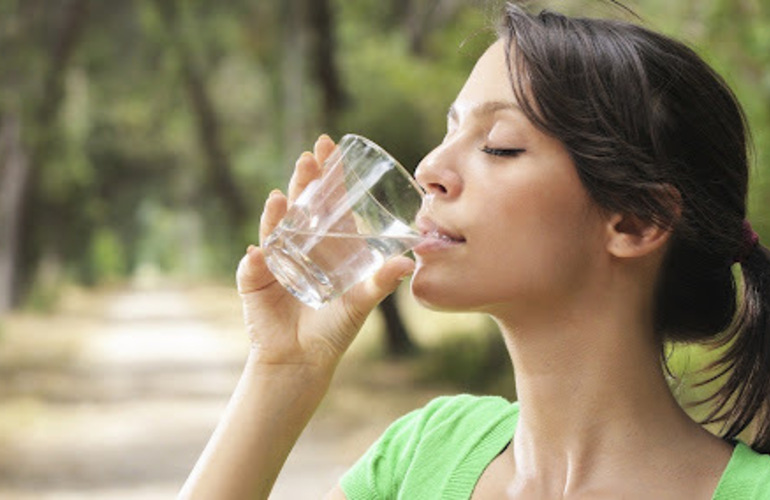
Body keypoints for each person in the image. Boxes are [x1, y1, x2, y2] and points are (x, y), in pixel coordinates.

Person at [179, 3, 770, 499]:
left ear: (636, 221)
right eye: (448, 131)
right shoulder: (422, 455)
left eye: (499, 146)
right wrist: (282, 371)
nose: (429, 168)